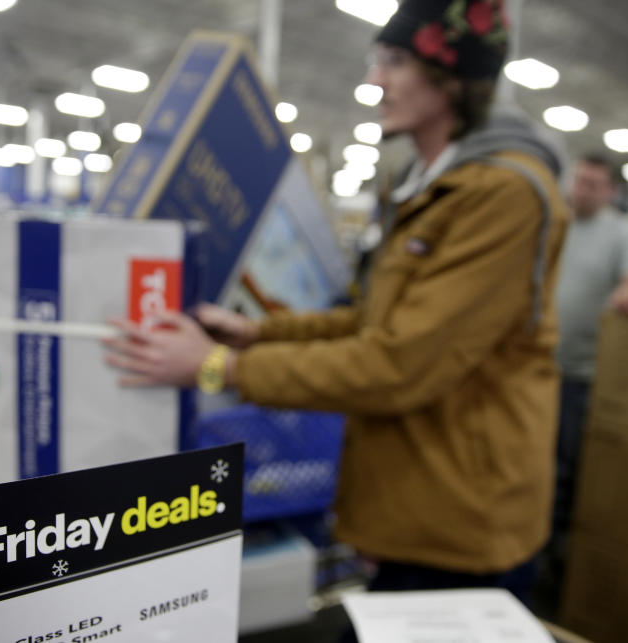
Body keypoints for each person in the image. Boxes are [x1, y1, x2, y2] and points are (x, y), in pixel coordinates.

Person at [105, 0, 570, 605]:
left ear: (452, 76)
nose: (375, 80)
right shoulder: (431, 181)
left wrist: (218, 367)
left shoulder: (502, 194)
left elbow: (402, 364)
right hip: (416, 496)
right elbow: (377, 320)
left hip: (460, 519)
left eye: (396, 61)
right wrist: (257, 336)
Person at [548, 155, 628, 588]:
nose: (582, 190)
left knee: (562, 472)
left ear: (611, 191)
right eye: (579, 180)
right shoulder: (557, 220)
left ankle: (550, 565)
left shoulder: (622, 232)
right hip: (538, 368)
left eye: (593, 184)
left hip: (580, 376)